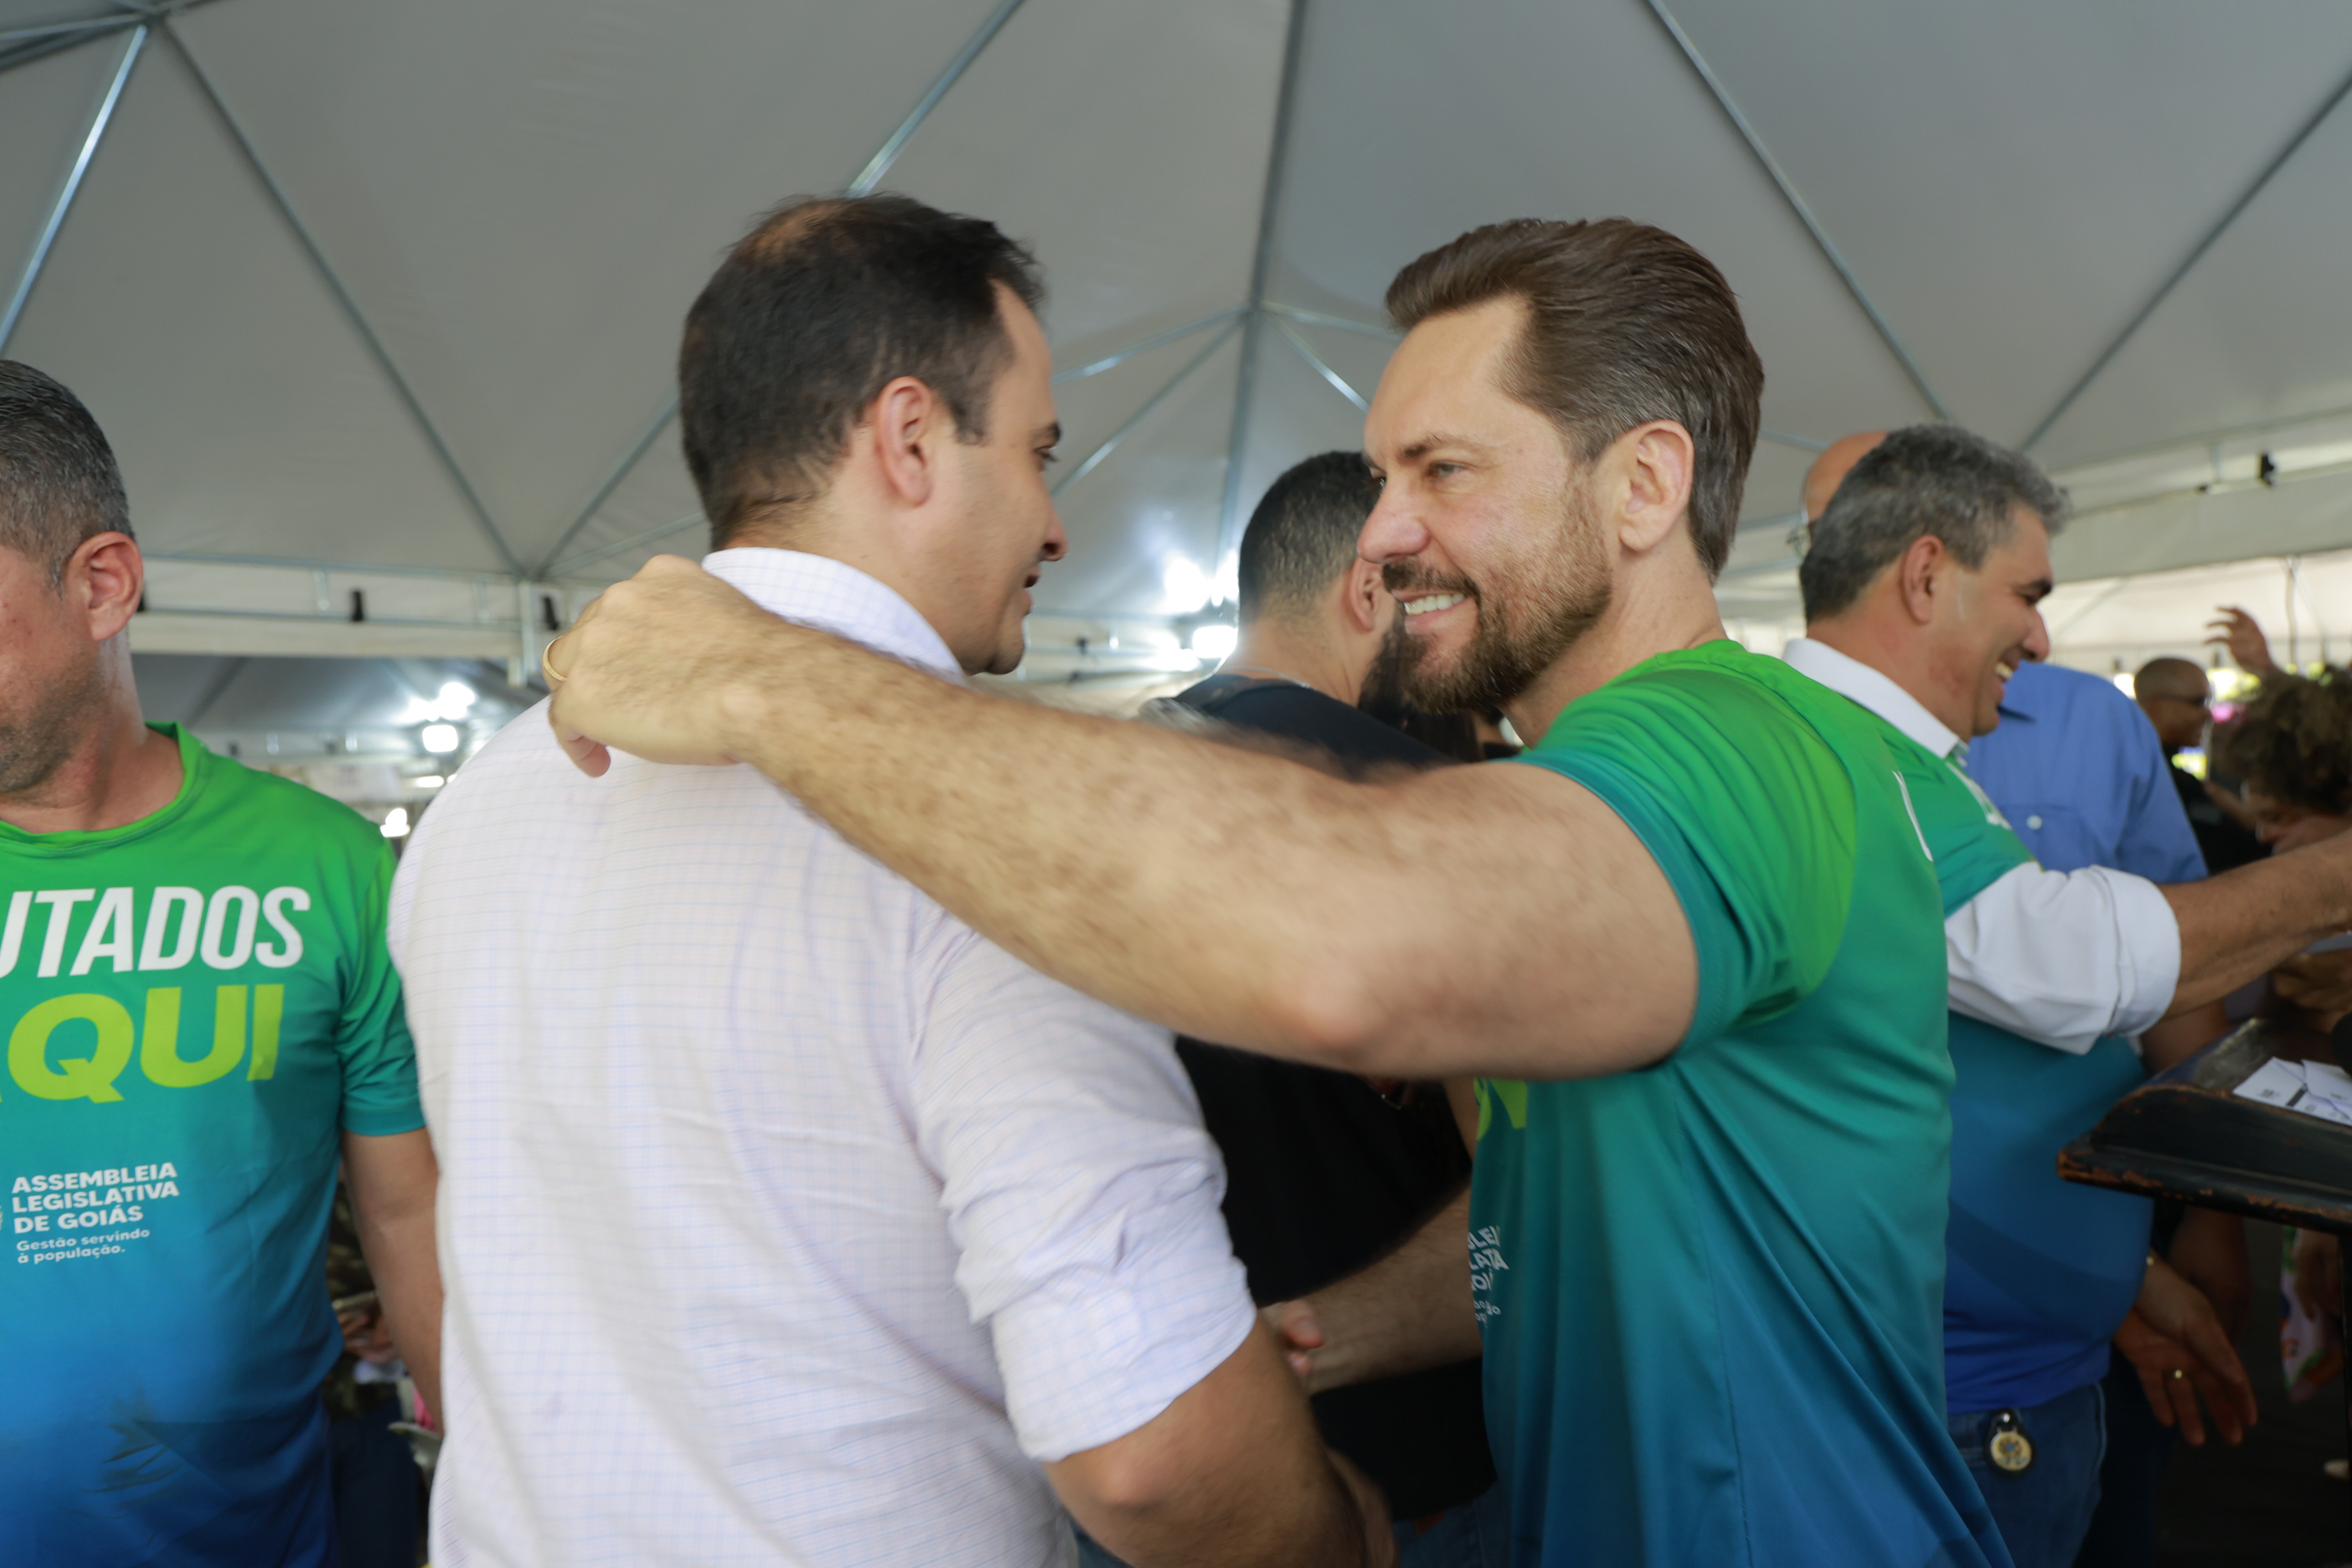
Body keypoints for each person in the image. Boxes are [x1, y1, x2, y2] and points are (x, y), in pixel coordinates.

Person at [546, 215, 2020, 1566]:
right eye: (1383, 478)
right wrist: (1318, 1333)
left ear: (1644, 484)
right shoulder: (1581, 787)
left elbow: (1346, 939)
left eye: (1442, 471)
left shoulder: (1735, 749)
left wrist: (766, 674)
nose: (1381, 533)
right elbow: (1569, 1221)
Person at [388, 196, 1389, 1568]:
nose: (1055, 526)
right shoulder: (987, 825)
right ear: (909, 439)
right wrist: (1345, 1535)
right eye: (1037, 452)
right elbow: (1151, 1452)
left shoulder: (482, 802)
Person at [1781, 424, 2352, 1566]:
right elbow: (2071, 967)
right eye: (2028, 595)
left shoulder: (1911, 760)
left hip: (2032, 1363)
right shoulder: (1835, 761)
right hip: (1934, 1400)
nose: (2041, 636)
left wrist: (2120, 1282)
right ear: (1923, 572)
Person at [0, 361, 442, 1567]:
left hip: (260, 1532)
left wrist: (485, 1459)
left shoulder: (326, 866)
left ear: (103, 584)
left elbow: (404, 1204)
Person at [1100, 450, 1502, 1568]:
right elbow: (1526, 1195)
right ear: (1367, 590)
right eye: (1431, 598)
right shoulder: (1432, 811)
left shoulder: (1094, 780)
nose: (1445, 634)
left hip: (1153, 1444)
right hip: (1402, 1464)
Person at [2132, 655, 2263, 875]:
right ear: (2156, 706)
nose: (2209, 714)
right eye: (2199, 702)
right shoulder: (2145, 782)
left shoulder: (2168, 777)